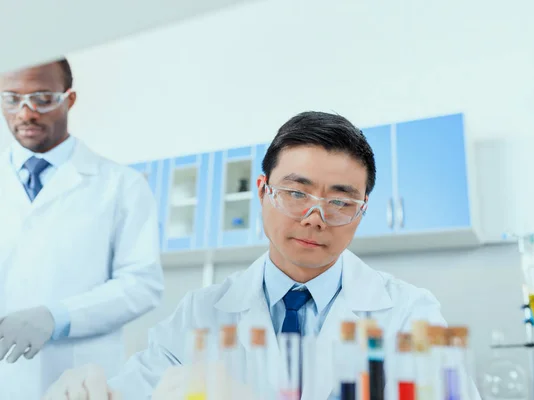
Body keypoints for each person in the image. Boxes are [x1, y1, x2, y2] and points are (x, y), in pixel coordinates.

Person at [44, 111, 481, 399]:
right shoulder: (201, 313)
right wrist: (86, 390)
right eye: (295, 192)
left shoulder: (410, 313)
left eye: (341, 201)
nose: (315, 217)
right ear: (262, 192)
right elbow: (133, 390)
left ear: (362, 212)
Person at [0, 58, 164, 399]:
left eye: (42, 98)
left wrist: (56, 317)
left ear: (69, 99)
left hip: (80, 382)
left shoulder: (122, 186)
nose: (25, 113)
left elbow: (142, 284)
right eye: (12, 99)